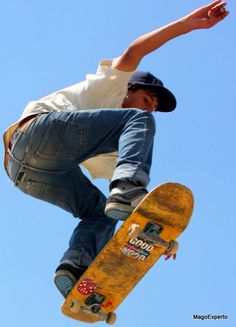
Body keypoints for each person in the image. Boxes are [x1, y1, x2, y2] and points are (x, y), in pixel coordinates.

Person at [3, 1, 228, 298]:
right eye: (148, 100)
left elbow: (129, 212)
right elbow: (136, 50)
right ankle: (130, 188)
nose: (150, 110)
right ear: (130, 90)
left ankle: (73, 267)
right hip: (36, 132)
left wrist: (158, 234)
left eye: (154, 108)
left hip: (23, 173)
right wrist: (188, 24)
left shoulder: (116, 153)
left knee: (103, 213)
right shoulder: (112, 86)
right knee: (134, 142)